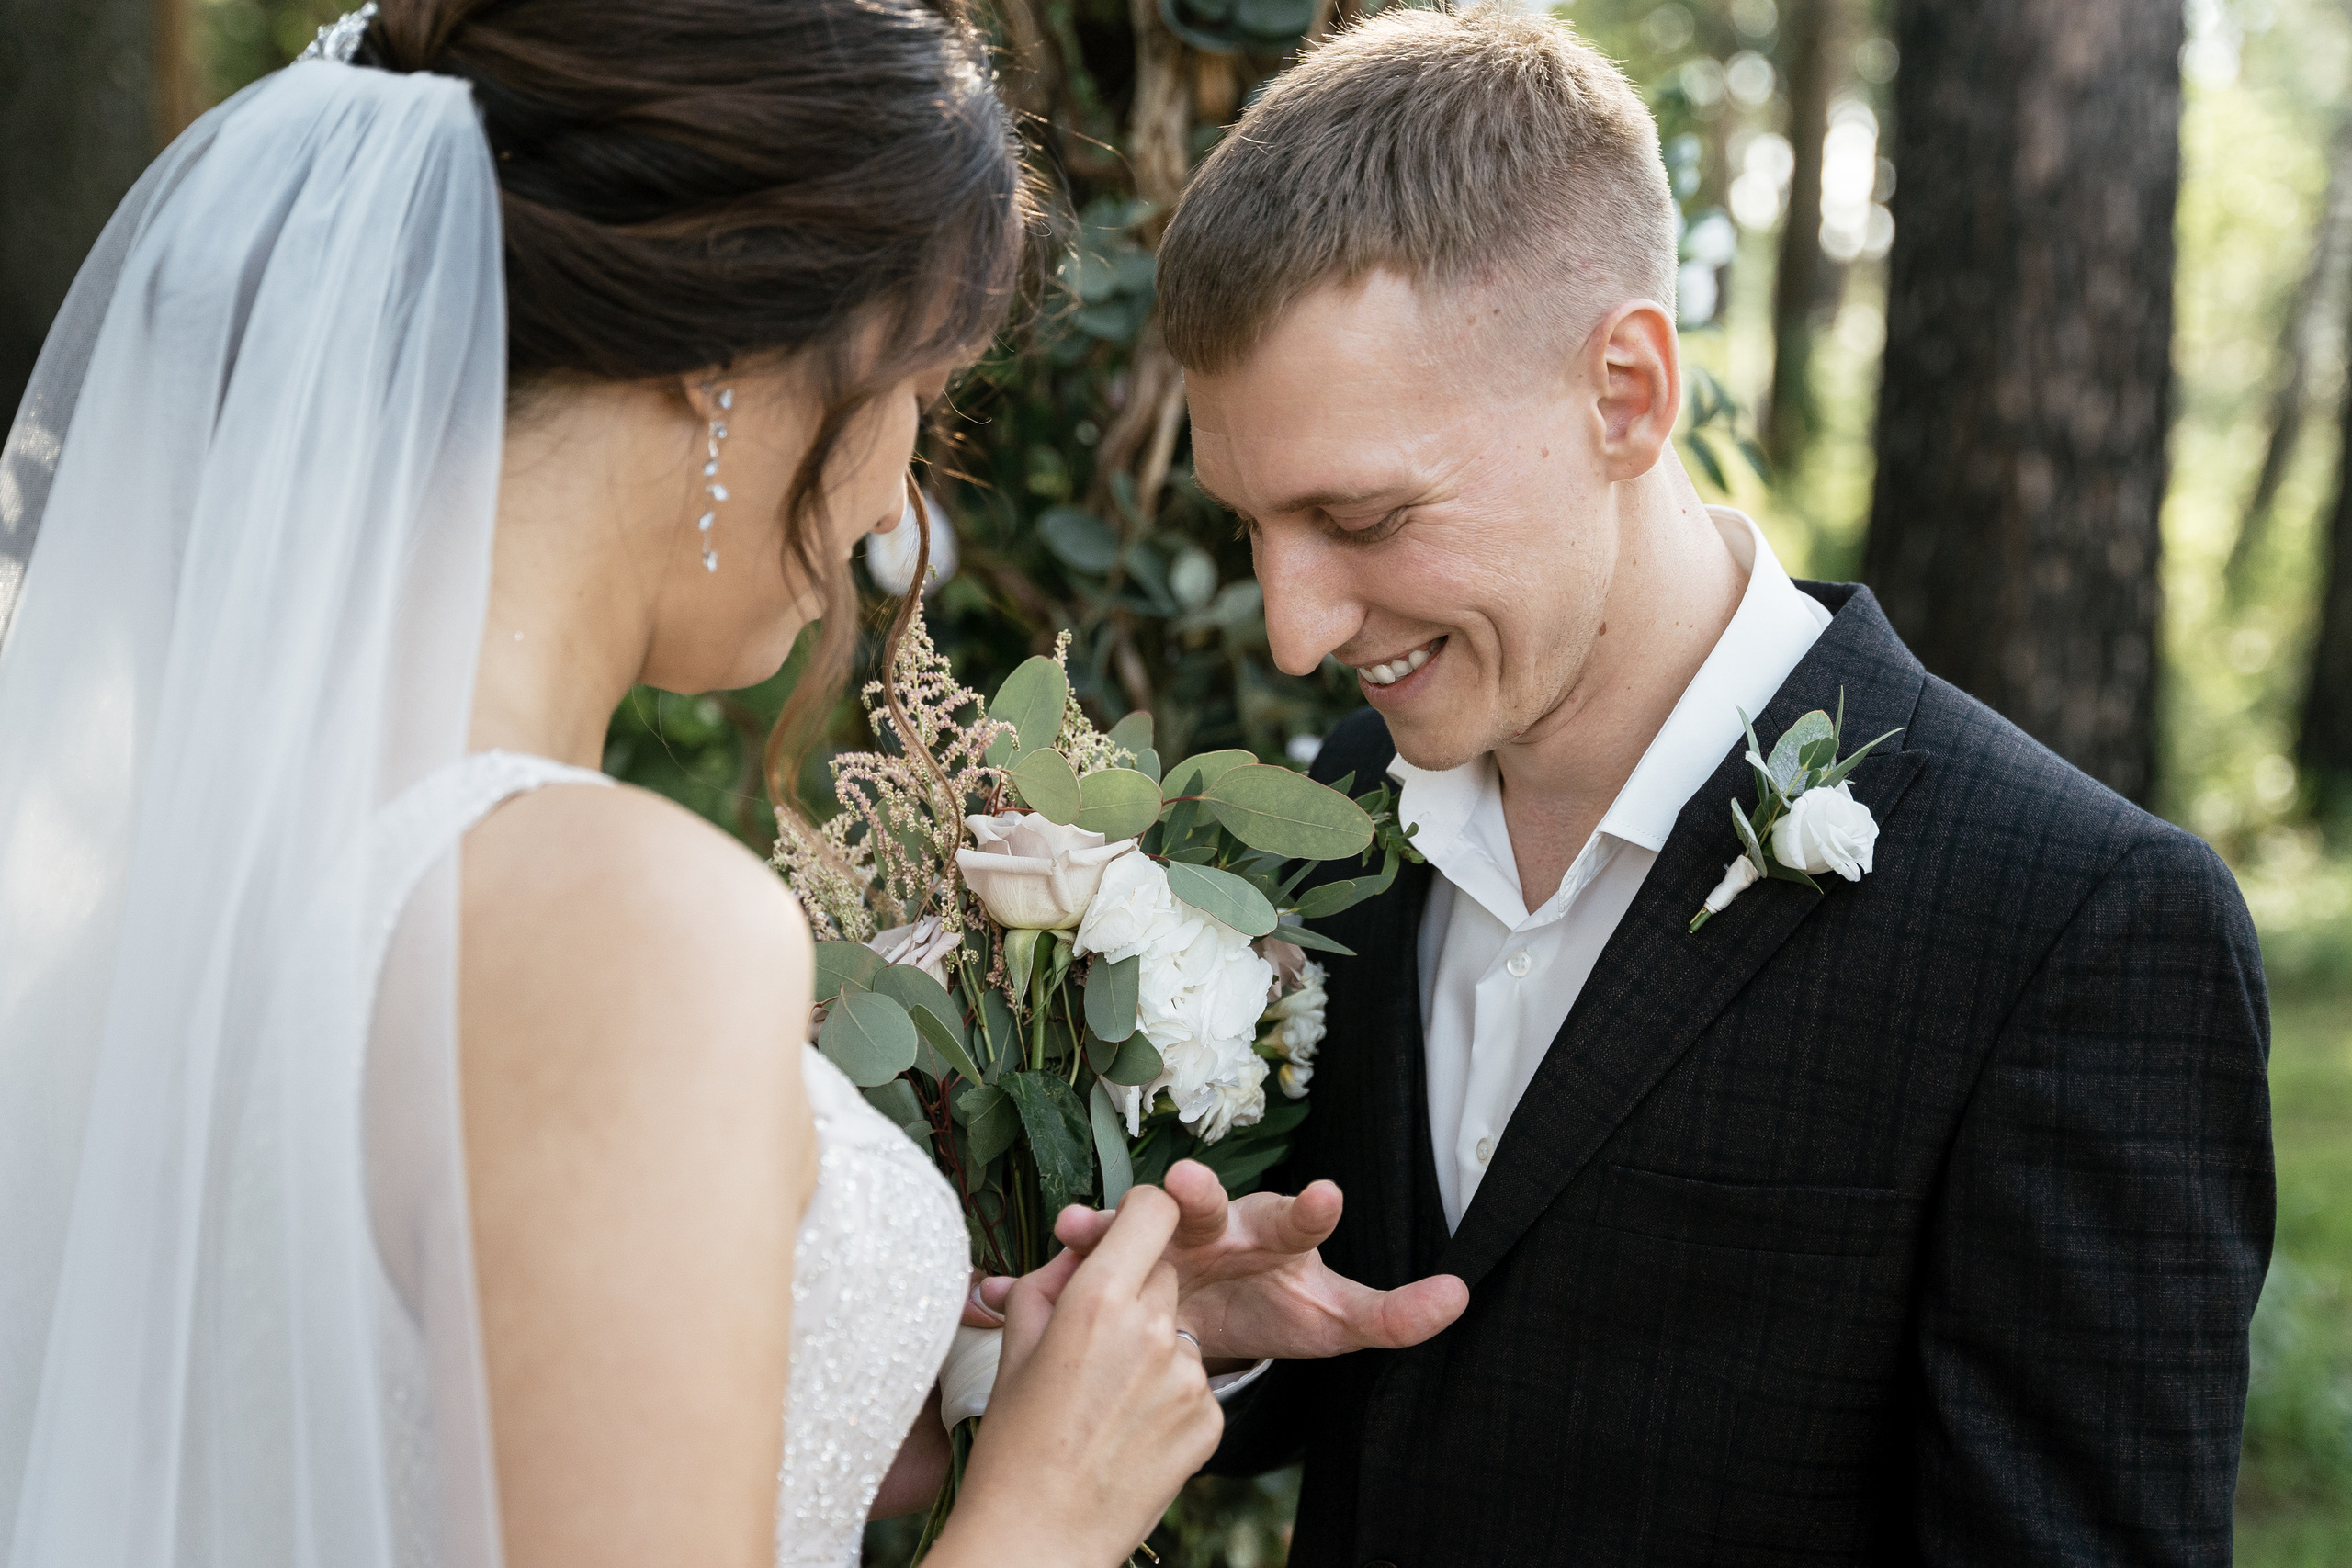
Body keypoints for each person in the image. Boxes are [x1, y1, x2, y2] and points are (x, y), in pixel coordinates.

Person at [0, 3, 1458, 1564]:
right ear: (731, 364)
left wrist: (950, 1384)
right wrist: (1052, 1501)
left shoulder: (173, 872)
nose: (896, 502)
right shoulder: (617, 926)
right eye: (916, 388)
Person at [1130, 7, 2277, 1564]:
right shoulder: (1344, 808)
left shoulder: (2075, 928)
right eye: (1254, 525)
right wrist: (1213, 1331)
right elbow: (1395, 1377)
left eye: (1365, 516)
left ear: (1625, 394)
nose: (1294, 622)